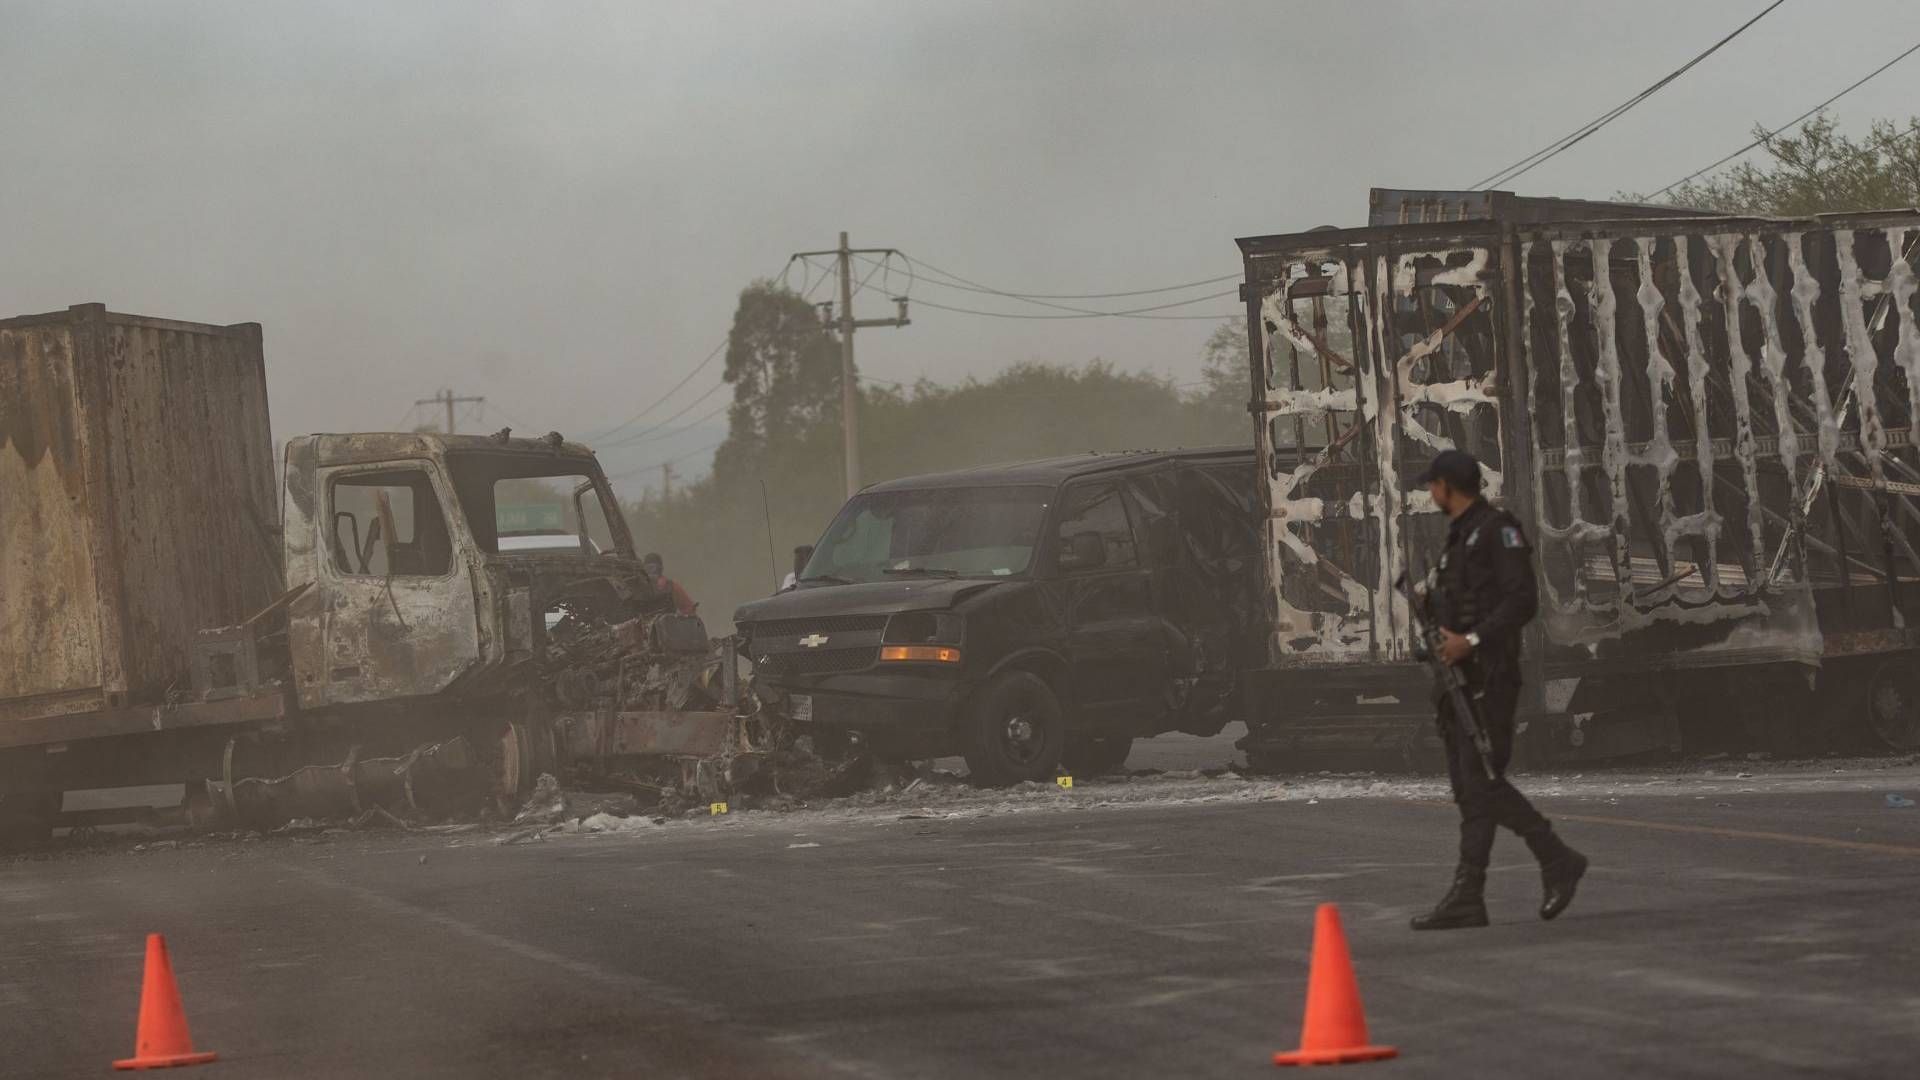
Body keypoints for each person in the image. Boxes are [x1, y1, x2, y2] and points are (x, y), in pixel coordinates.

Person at [1410, 449, 1587, 930]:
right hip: (1458, 683)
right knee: (1471, 790)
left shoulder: (1496, 531)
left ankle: (1552, 858)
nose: (1430, 494)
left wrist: (1469, 642)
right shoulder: (1459, 538)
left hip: (1489, 679)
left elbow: (1522, 601)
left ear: (1448, 486)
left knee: (1481, 783)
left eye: (1433, 486)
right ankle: (1476, 893)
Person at [641, 552, 697, 616]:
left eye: (653, 568)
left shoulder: (671, 587)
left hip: (668, 624)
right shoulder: (639, 589)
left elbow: (689, 608)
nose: (651, 572)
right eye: (648, 568)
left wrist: (681, 616)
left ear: (660, 569)